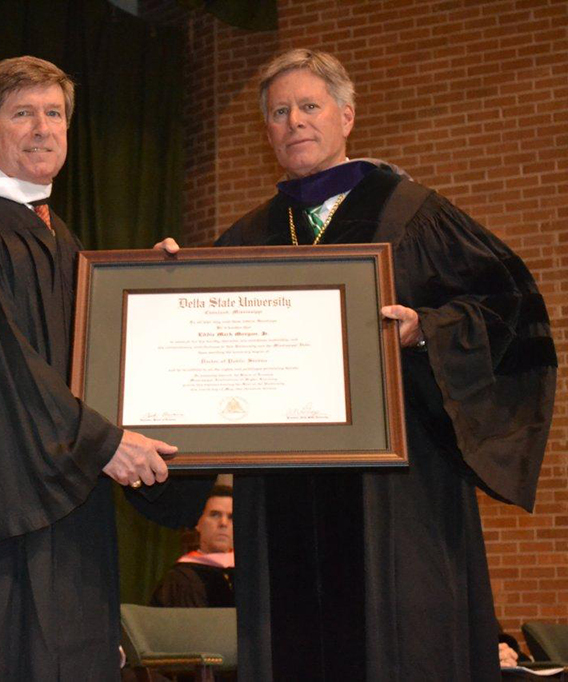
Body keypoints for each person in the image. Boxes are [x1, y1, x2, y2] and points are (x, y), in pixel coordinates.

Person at [160, 48, 555, 681]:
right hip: (281, 490)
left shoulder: (413, 214)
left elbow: (509, 310)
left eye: (310, 106)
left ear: (347, 115)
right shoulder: (245, 239)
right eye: (280, 112)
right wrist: (169, 289)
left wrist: (429, 331)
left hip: (398, 489)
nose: (295, 122)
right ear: (266, 131)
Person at [0, 55, 210, 680]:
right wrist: (100, 442)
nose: (42, 128)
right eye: (22, 114)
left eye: (54, 114)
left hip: (62, 520)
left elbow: (85, 355)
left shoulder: (58, 235)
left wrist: (146, 297)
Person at [150, 485, 235, 608]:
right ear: (198, 522)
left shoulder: (247, 576)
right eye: (215, 515)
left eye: (231, 517)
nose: (223, 523)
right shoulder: (181, 579)